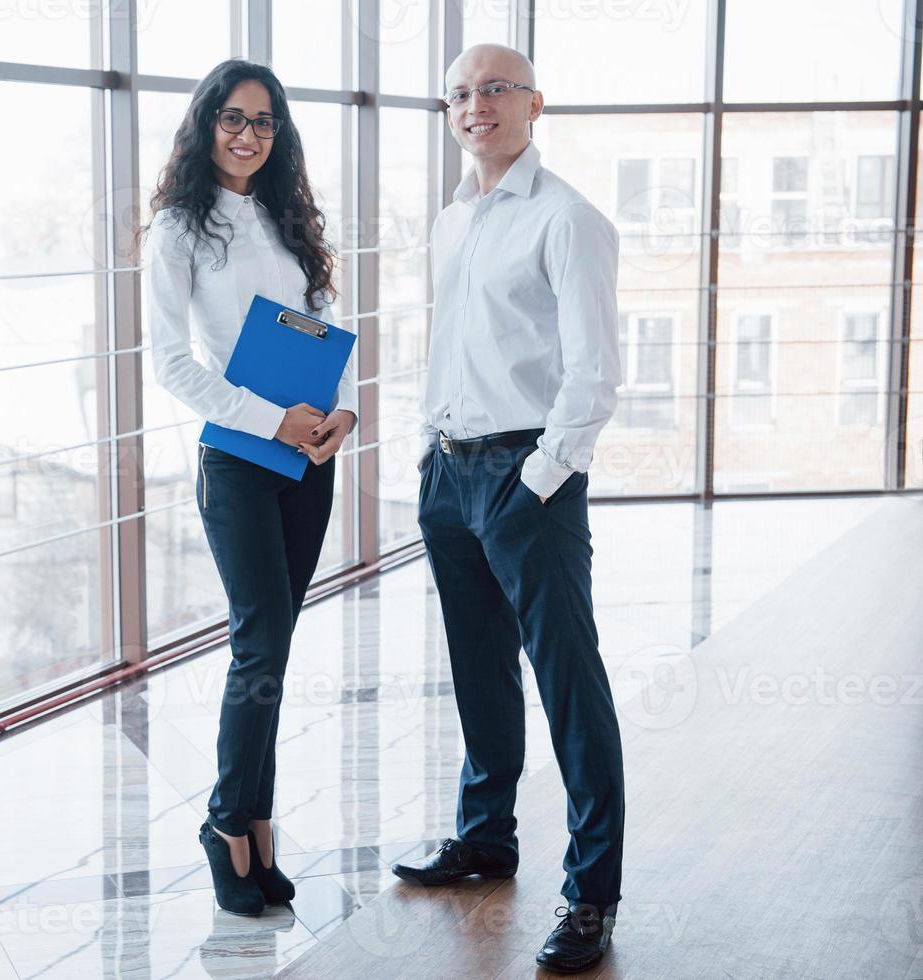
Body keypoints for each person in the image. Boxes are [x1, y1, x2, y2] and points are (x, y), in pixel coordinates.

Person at [389, 43, 626, 974]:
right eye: (458, 93)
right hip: (448, 475)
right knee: (480, 671)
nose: (474, 105)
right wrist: (433, 455)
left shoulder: (567, 220)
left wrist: (536, 480)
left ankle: (591, 892)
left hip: (526, 480)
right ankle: (485, 837)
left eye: (493, 89)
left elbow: (595, 373)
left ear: (534, 103)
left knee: (569, 685)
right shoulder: (454, 219)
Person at [139, 58, 357, 917]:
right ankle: (228, 825)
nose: (247, 133)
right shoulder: (178, 230)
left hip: (308, 461)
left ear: (279, 134)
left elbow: (323, 328)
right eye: (232, 117)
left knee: (276, 646)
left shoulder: (286, 219)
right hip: (238, 459)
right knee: (257, 645)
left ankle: (257, 825)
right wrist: (269, 422)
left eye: (264, 121)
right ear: (204, 124)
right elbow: (169, 363)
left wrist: (339, 418)